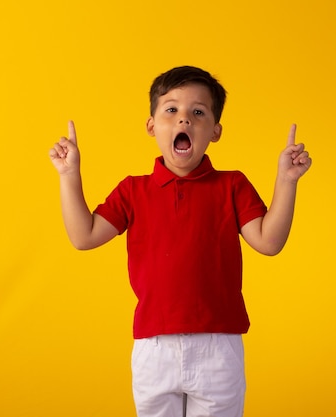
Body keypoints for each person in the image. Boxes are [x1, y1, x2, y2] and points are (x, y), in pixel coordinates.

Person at [49, 66, 312, 417]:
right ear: (151, 126)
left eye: (198, 112)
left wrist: (286, 180)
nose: (184, 120)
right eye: (171, 110)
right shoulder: (132, 190)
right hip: (154, 347)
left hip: (219, 346)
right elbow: (84, 236)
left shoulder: (232, 185)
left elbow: (268, 241)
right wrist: (69, 175)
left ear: (215, 131)